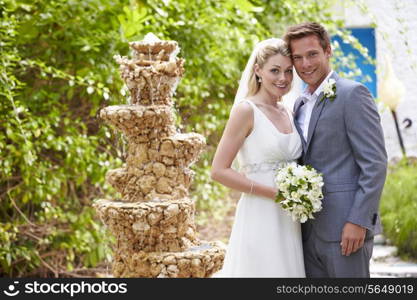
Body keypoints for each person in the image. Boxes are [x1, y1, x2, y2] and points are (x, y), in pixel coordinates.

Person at [284, 22, 388, 278]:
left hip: (346, 229)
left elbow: (375, 164)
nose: (305, 64)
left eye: (312, 54)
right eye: (298, 58)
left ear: (328, 51)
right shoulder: (299, 103)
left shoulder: (353, 94)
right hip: (307, 232)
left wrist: (358, 220)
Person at [211, 38, 305, 277]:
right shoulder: (246, 111)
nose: (282, 78)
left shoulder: (290, 111)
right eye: (275, 70)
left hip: (290, 216)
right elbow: (219, 170)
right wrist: (273, 194)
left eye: (288, 71)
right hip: (260, 211)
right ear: (258, 70)